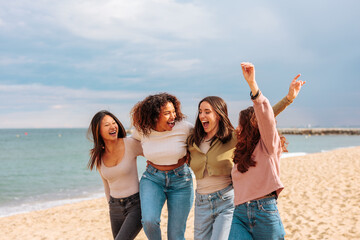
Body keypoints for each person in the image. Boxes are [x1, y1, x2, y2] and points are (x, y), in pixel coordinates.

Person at [187, 66, 305, 240]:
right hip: (232, 208)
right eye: (200, 112)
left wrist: (282, 98)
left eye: (207, 112)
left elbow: (265, 118)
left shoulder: (259, 145)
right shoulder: (196, 141)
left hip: (251, 207)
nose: (238, 128)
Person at [228, 62, 305, 239]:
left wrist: (253, 85)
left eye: (241, 124)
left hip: (264, 211)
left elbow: (266, 118)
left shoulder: (269, 146)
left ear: (251, 126)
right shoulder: (241, 153)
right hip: (239, 213)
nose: (237, 128)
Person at [130, 93, 194, 240]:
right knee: (149, 221)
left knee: (175, 235)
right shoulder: (142, 131)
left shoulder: (185, 128)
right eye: (167, 113)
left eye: (173, 111)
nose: (173, 116)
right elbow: (129, 147)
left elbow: (204, 142)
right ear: (154, 115)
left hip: (181, 181)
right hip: (152, 179)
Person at [87, 110, 142, 240]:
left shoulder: (130, 143)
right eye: (106, 125)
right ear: (98, 131)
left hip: (136, 204)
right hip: (115, 207)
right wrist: (110, 204)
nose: (112, 127)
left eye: (114, 123)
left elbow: (153, 155)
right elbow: (106, 184)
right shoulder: (97, 156)